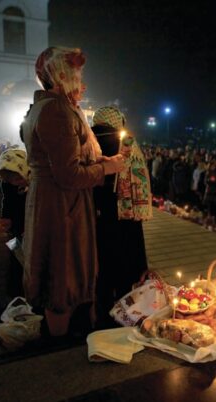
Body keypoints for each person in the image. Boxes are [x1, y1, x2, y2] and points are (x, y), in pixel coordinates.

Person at [21, 46, 126, 336]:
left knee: (66, 272)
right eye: (77, 75)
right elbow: (68, 174)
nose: (82, 83)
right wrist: (106, 169)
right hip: (61, 206)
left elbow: (74, 157)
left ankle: (70, 334)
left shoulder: (57, 107)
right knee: (61, 277)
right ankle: (60, 352)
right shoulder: (56, 110)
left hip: (60, 201)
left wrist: (103, 160)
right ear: (61, 76)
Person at [90, 106, 151, 329]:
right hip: (125, 217)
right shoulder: (126, 143)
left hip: (95, 214)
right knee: (126, 266)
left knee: (102, 268)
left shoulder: (88, 141)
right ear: (118, 121)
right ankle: (127, 316)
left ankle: (102, 317)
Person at [0, 147, 30, 298]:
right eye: (10, 180)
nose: (15, 183)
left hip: (31, 230)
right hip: (14, 232)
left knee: (32, 264)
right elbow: (7, 202)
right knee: (15, 261)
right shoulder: (7, 185)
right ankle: (16, 295)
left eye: (17, 178)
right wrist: (5, 219)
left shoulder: (38, 185)